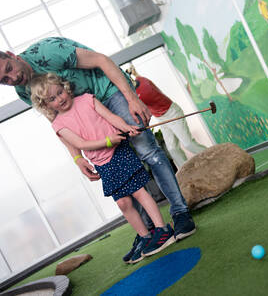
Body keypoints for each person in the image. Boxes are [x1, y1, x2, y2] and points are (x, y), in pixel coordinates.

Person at [0, 37, 196, 263]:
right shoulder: (24, 91)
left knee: (148, 151)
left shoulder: (47, 51)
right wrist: (77, 156)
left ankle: (180, 213)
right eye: (4, 80)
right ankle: (149, 232)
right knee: (120, 177)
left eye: (9, 69)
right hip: (84, 111)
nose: (13, 77)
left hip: (108, 92)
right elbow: (59, 122)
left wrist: (131, 98)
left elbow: (102, 61)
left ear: (11, 55)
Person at [29, 73, 175, 264]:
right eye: (52, 99)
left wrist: (126, 127)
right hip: (102, 162)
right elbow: (80, 143)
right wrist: (107, 141)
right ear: (45, 105)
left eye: (60, 92)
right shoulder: (58, 125)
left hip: (118, 152)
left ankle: (162, 230)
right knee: (123, 203)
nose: (60, 99)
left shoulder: (87, 100)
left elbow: (112, 117)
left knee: (139, 192)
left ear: (65, 87)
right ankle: (146, 237)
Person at [126, 65, 207, 170]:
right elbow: (136, 79)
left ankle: (216, 155)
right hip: (162, 118)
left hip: (171, 113)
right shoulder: (140, 80)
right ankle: (187, 172)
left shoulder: (141, 94)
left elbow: (143, 111)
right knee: (173, 149)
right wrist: (133, 72)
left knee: (188, 144)